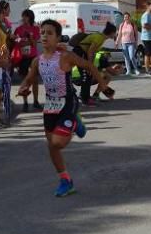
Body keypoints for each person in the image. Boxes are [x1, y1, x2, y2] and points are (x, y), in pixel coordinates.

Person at [17, 19, 109, 197]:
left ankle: (75, 122)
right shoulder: (38, 61)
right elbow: (29, 78)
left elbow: (88, 65)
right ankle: (65, 180)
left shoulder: (65, 56)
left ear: (58, 37)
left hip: (67, 102)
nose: (44, 36)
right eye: (42, 32)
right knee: (52, 146)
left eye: (49, 33)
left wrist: (102, 86)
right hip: (50, 105)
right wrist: (23, 87)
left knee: (59, 142)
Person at [70, 22, 118, 106]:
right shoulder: (99, 38)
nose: (116, 34)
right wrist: (90, 65)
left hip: (81, 53)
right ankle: (85, 99)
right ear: (112, 33)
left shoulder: (101, 37)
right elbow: (90, 51)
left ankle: (84, 96)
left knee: (88, 76)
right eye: (115, 32)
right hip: (80, 53)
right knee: (86, 75)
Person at [13, 9, 42, 111]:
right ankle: (25, 103)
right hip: (23, 57)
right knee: (24, 80)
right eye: (23, 16)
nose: (24, 18)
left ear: (30, 17)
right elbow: (16, 43)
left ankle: (36, 101)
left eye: (26, 16)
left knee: (35, 80)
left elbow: (34, 43)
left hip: (33, 56)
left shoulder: (35, 29)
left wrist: (29, 37)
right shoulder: (18, 29)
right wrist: (25, 42)